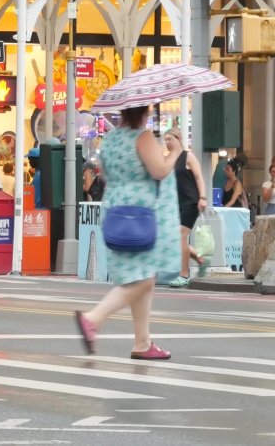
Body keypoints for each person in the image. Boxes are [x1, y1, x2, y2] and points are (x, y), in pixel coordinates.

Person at [74, 104, 181, 360]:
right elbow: (160, 170)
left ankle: (142, 342)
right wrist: (175, 152)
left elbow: (106, 174)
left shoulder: (110, 139)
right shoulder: (142, 137)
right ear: (144, 111)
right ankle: (93, 319)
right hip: (140, 213)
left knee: (140, 277)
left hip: (115, 210)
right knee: (143, 279)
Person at [163, 130, 206, 288]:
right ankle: (199, 258)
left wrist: (202, 197)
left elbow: (198, 177)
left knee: (181, 235)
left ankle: (184, 274)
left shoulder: (188, 156)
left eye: (169, 139)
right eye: (165, 140)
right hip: (174, 204)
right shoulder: (168, 160)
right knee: (174, 237)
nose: (167, 142)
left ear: (178, 139)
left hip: (190, 201)